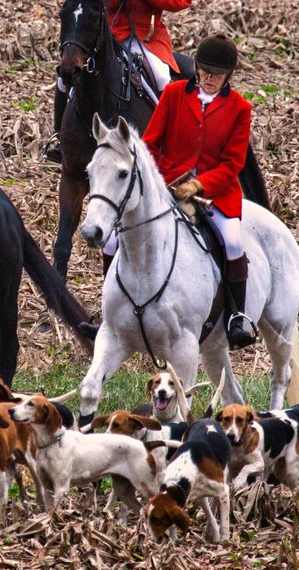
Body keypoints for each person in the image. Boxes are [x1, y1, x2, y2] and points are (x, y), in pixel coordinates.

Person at [102, 35, 257, 348]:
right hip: (167, 187)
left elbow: (232, 164)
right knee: (111, 239)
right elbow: (150, 144)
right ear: (196, 69)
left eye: (217, 75)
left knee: (233, 242)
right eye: (205, 72)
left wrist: (198, 185)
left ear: (229, 76)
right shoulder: (173, 94)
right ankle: (107, 309)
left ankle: (236, 317)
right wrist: (160, 181)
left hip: (216, 193)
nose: (209, 79)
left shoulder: (239, 108)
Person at [47, 0, 193, 164]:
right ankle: (58, 138)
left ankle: (168, 141)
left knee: (161, 77)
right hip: (113, 35)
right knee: (63, 79)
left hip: (148, 38)